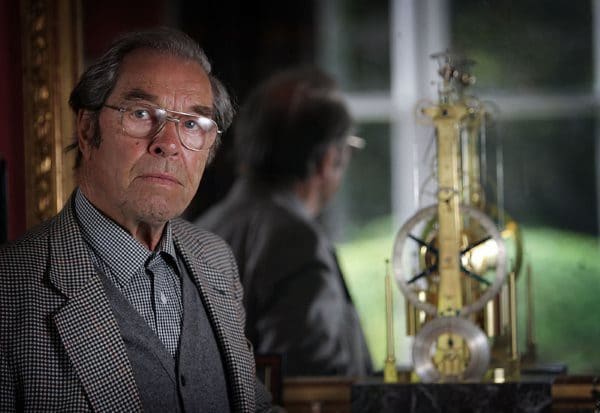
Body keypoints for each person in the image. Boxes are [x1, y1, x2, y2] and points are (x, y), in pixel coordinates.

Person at [0, 28, 272, 412]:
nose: (169, 143)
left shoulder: (217, 260)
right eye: (142, 114)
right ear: (86, 129)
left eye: (192, 124)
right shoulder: (9, 289)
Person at [196, 67, 373, 377]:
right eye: (349, 148)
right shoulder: (297, 239)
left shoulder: (205, 226)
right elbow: (314, 385)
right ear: (329, 158)